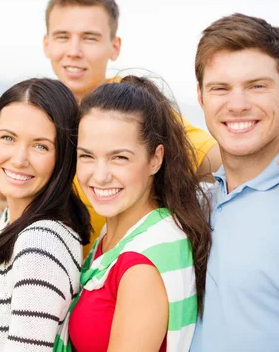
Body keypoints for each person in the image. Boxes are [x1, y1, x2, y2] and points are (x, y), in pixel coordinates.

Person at [0, 0, 279, 253]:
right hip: (72, 278)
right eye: (63, 37)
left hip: (127, 276)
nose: (74, 51)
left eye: (90, 38)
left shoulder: (131, 107)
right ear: (47, 43)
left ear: (114, 46)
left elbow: (211, 154)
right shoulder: (33, 113)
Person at [189, 14, 279, 351]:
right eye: (220, 88)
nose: (237, 104)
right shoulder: (197, 200)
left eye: (257, 86)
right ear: (201, 97)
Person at [55, 76, 212, 352]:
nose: (100, 176)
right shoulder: (122, 234)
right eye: (87, 156)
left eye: (119, 158)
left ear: (155, 159)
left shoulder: (142, 262)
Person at [0, 78, 91, 352]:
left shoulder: (40, 243)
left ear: (63, 155)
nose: (19, 158)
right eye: (8, 138)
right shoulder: (14, 219)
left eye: (40, 146)